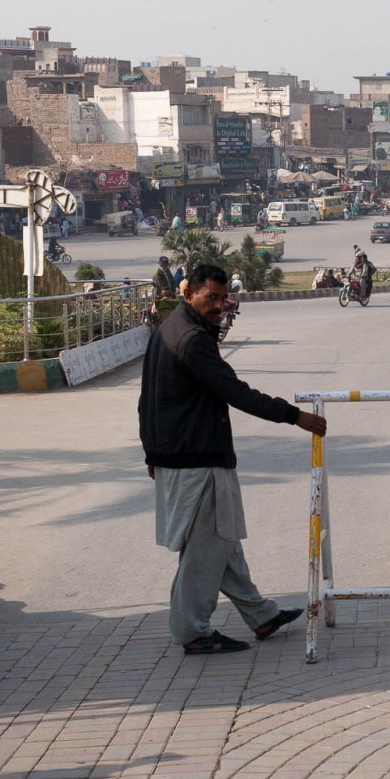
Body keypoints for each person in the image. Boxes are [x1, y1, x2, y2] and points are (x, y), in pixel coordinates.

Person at [139, 264, 327, 655]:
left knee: (222, 544)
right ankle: (191, 631)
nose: (219, 306)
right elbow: (235, 392)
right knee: (205, 551)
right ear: (187, 291)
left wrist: (151, 451)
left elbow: (147, 400)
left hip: (179, 455)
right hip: (198, 459)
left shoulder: (167, 330)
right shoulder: (191, 339)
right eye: (211, 298)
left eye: (224, 299)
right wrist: (296, 416)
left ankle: (262, 615)